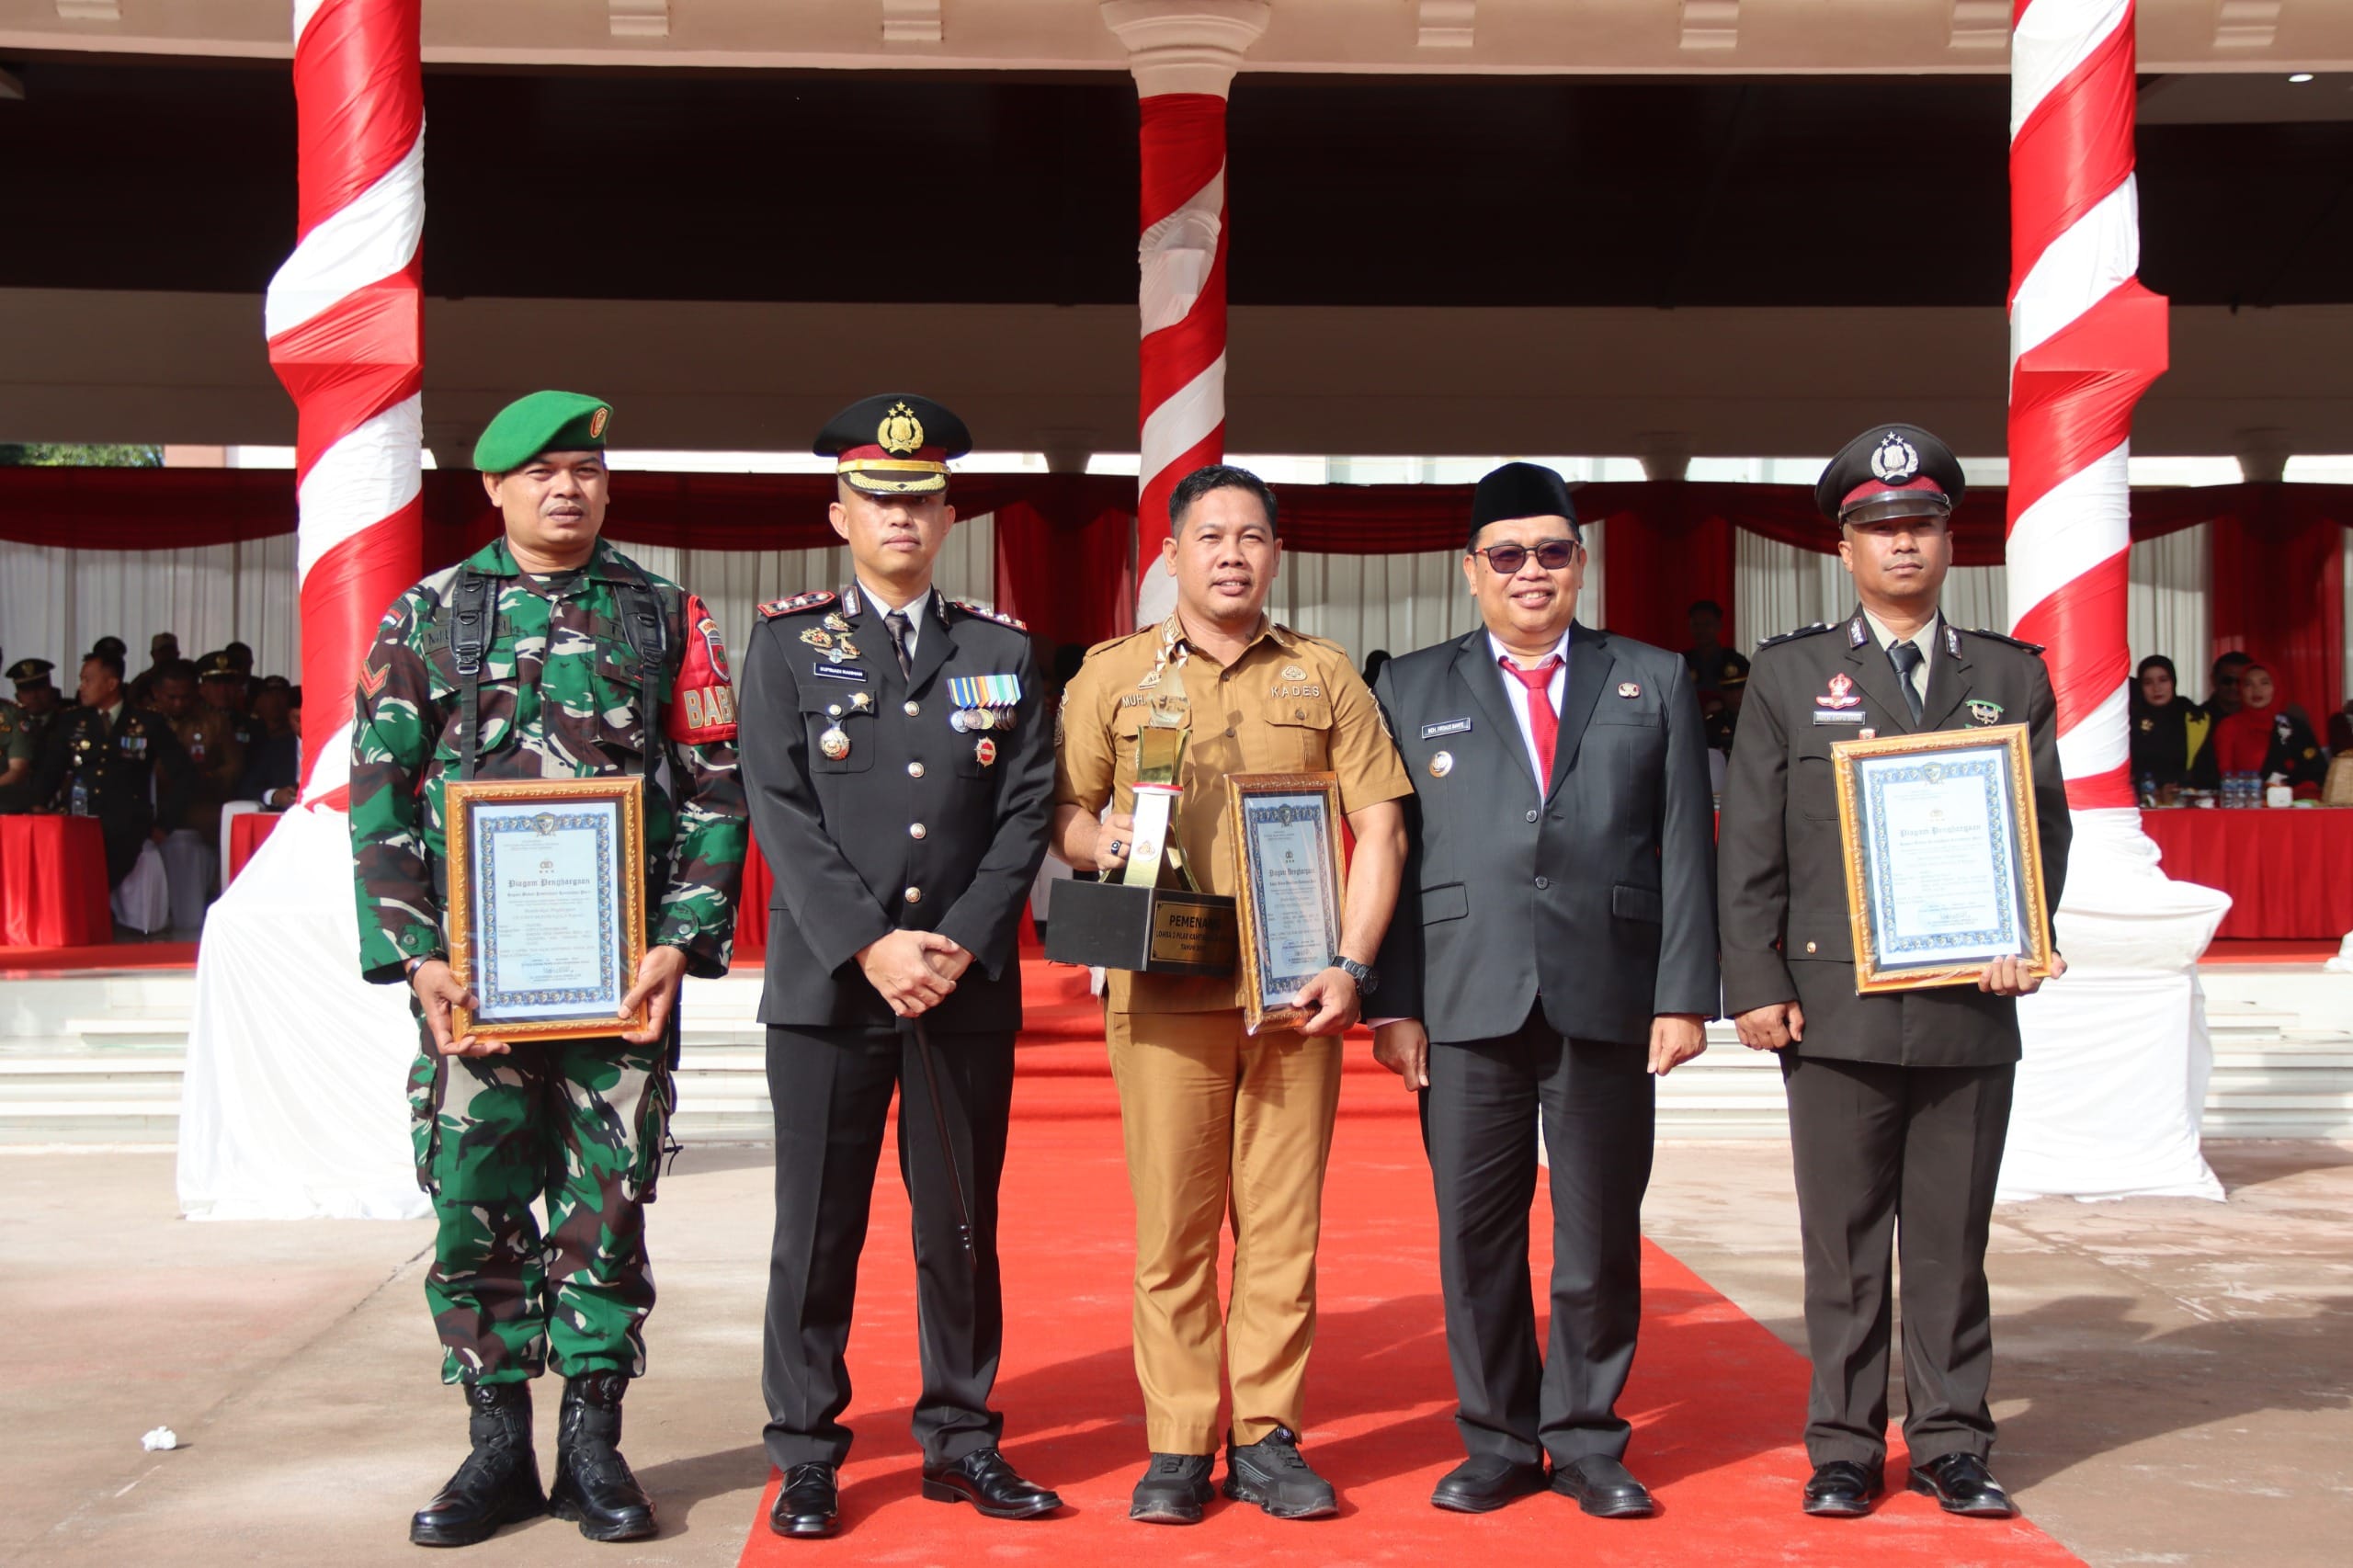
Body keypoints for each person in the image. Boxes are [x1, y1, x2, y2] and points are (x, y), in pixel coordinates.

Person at [351, 391, 747, 1548]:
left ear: (608, 485)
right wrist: (416, 954)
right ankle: (494, 1445)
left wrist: (679, 939)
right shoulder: (429, 615)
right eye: (540, 472)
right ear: (495, 488)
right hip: (475, 994)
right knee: (474, 1208)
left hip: (618, 986)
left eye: (584, 468)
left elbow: (716, 787)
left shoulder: (665, 614)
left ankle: (592, 1440)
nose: (564, 487)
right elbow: (377, 796)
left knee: (607, 1209)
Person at [1718, 424, 2071, 1521]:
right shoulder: (1787, 675)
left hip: (1971, 998)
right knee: (1844, 1242)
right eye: (1879, 528)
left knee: (1952, 1241)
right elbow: (1753, 846)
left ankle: (1954, 1440)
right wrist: (1754, 982)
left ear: (1948, 539)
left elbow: (2042, 829)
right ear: (1845, 546)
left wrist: (2026, 928)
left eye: (1918, 523)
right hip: (1832, 1004)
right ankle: (1842, 1443)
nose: (1901, 543)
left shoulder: (2006, 675)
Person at [1053, 464, 1411, 1525]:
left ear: (1275, 552)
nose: (1231, 554)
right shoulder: (1112, 676)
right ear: (1168, 554)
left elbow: (1381, 826)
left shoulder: (1324, 674)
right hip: (1164, 986)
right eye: (1208, 535)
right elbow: (1062, 813)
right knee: (1173, 1226)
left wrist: (1351, 963)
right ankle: (1175, 1440)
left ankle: (1266, 1435)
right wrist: (1102, 837)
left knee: (1281, 1227)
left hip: (1297, 994)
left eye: (1251, 536)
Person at [1367, 462, 1719, 1518]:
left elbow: (1684, 847)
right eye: (1508, 555)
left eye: (1553, 551)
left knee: (1598, 1228)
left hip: (1608, 992)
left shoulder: (1648, 677)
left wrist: (1683, 992)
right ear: (1470, 570)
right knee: (1474, 1234)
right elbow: (1386, 848)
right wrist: (1395, 1000)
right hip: (1463, 995)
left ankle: (1586, 1434)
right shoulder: (1409, 686)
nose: (1532, 573)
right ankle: (1497, 1438)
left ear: (1580, 561)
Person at [739, 394, 1063, 1540]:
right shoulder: (786, 644)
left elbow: (1025, 813)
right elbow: (777, 808)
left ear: (949, 512)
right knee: (817, 1227)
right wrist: (871, 942)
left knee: (958, 1225)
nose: (900, 517)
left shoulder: (1002, 648)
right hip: (832, 987)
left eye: (919, 499)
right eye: (878, 498)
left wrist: (959, 941)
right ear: (840, 512)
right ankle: (810, 1450)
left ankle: (962, 1437)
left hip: (960, 988)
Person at [30, 649, 191, 888]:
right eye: (81, 680)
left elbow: (186, 776)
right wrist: (36, 805)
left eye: (88, 680)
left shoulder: (148, 723)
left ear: (111, 683)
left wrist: (164, 825)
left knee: (97, 870)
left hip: (125, 821)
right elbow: (51, 771)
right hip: (77, 814)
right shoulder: (72, 722)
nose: (81, 687)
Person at [151, 659, 243, 933]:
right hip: (154, 802)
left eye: (186, 696)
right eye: (171, 697)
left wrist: (206, 780)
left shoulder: (215, 722)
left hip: (198, 803)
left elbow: (234, 766)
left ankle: (221, 892)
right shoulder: (144, 722)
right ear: (156, 693)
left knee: (227, 827)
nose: (179, 704)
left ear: (197, 692)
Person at [2207, 662, 2328, 797]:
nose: (2256, 690)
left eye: (2264, 683)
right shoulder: (2229, 726)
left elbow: (2317, 772)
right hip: (2244, 806)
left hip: (2292, 806)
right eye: (2248, 684)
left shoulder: (2295, 726)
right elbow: (2223, 776)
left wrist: (2291, 793)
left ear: (2276, 687)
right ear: (2241, 689)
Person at [2128, 654, 2211, 796]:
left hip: (2183, 802)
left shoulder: (2196, 719)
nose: (2156, 688)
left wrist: (2180, 788)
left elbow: (2206, 772)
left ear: (2173, 682)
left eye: (2163, 680)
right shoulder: (2128, 722)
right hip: (2138, 803)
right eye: (2148, 682)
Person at [1681, 598, 1750, 753]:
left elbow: (1748, 700)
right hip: (1689, 733)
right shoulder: (1682, 663)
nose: (1701, 630)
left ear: (1719, 626)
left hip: (1729, 735)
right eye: (1696, 625)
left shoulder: (1735, 662)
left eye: (1707, 625)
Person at [238, 675, 301, 808]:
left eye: (309, 719)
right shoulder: (276, 748)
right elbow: (247, 788)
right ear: (288, 717)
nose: (303, 726)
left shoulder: (335, 747)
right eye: (298, 720)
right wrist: (275, 795)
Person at [127, 631, 180, 707]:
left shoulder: (186, 680)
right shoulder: (142, 682)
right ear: (153, 654)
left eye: (170, 651)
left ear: (177, 654)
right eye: (163, 652)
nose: (167, 656)